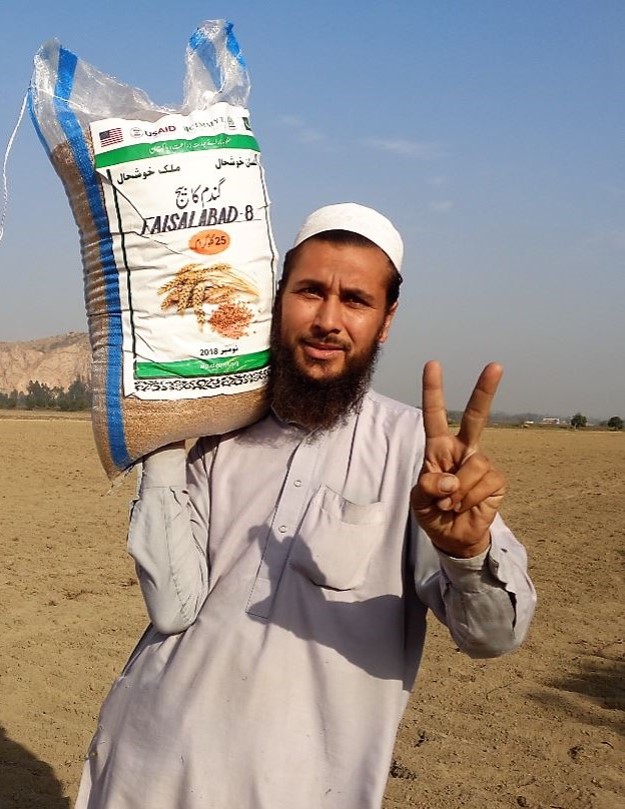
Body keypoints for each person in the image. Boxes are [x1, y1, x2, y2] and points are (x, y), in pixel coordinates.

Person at [76, 203, 536, 809]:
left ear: (386, 319)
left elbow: (493, 636)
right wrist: (163, 436)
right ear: (278, 298)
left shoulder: (417, 457)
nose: (327, 319)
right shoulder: (220, 436)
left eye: (355, 300)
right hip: (146, 772)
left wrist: (467, 551)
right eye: (310, 292)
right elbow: (171, 607)